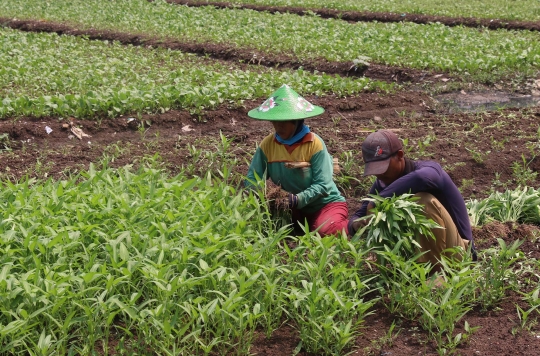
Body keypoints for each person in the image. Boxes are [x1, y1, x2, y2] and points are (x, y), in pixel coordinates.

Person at [348, 129, 476, 268]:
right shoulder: (383, 183)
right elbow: (358, 216)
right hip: (415, 260)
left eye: (382, 168)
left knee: (422, 200)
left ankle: (436, 274)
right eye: (374, 170)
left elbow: (422, 178)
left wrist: (377, 201)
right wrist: (357, 224)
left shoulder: (428, 170)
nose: (379, 175)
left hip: (458, 255)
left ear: (400, 155)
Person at [245, 84, 348, 236]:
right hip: (292, 208)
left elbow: (323, 185)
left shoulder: (314, 144)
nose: (278, 126)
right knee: (261, 229)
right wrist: (264, 195)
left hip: (324, 205)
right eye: (275, 121)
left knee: (327, 230)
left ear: (297, 121)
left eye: (283, 122)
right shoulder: (267, 145)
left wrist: (296, 199)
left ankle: (346, 226)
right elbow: (252, 179)